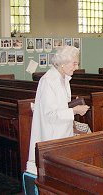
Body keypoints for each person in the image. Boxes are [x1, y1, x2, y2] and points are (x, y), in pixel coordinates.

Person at [27, 45, 89, 174]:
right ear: (63, 63)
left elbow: (59, 105)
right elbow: (50, 114)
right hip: (52, 134)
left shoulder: (64, 78)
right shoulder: (48, 81)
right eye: (74, 63)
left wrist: (72, 105)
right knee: (53, 172)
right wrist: (74, 110)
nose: (77, 67)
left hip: (63, 132)